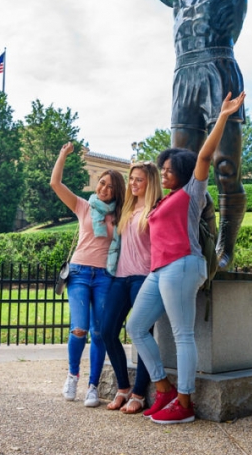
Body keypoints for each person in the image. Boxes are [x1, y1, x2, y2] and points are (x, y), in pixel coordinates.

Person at [99, 0, 252, 271]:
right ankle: (196, 243)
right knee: (181, 169)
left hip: (218, 71)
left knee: (225, 167)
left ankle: (225, 250)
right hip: (184, 78)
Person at [126, 91, 246, 424]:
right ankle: (163, 387)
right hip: (159, 269)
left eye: (168, 170)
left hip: (183, 264)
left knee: (182, 334)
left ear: (181, 171)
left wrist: (222, 116)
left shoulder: (191, 193)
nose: (163, 174)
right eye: (161, 170)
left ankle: (185, 401)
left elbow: (205, 157)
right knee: (135, 326)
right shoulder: (161, 202)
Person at [50, 142, 125, 407]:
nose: (104, 189)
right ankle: (72, 376)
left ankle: (93, 386)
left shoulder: (120, 214)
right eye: (102, 183)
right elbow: (56, 184)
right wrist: (63, 155)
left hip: (105, 276)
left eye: (110, 187)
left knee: (100, 332)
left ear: (117, 192)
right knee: (79, 328)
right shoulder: (84, 206)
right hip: (80, 273)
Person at [100, 161, 162, 414]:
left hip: (143, 278)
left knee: (142, 334)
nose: (134, 184)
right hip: (120, 277)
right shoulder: (126, 207)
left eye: (139, 179)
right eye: (132, 179)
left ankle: (139, 393)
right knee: (106, 331)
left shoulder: (156, 209)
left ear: (150, 182)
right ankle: (123, 388)